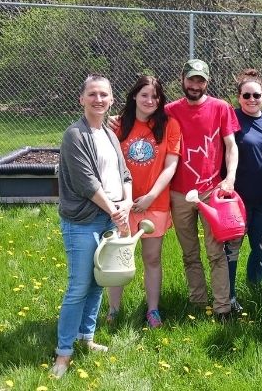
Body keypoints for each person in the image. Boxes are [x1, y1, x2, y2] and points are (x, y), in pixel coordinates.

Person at [52, 73, 132, 378]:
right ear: (82, 99)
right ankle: (63, 353)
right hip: (83, 221)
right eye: (93, 94)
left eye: (104, 95)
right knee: (78, 285)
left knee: (99, 282)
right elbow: (87, 183)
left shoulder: (110, 134)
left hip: (109, 215)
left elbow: (124, 175)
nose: (99, 100)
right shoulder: (75, 135)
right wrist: (116, 212)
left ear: (112, 100)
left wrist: (126, 203)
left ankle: (86, 339)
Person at [166, 59, 241, 319]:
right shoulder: (170, 111)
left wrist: (229, 178)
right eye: (191, 79)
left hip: (211, 191)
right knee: (189, 253)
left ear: (207, 82)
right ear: (182, 79)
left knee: (216, 252)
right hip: (179, 192)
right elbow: (142, 121)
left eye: (200, 80)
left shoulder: (221, 108)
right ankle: (197, 302)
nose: (195, 85)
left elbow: (231, 146)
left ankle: (222, 307)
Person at [107, 75, 180, 328]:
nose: (150, 100)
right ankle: (114, 309)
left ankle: (153, 310)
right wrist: (124, 200)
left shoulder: (169, 125)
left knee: (152, 258)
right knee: (118, 256)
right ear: (134, 96)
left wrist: (150, 196)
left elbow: (171, 166)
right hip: (121, 203)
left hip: (155, 203)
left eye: (155, 96)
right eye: (145, 95)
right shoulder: (118, 125)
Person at [227, 69, 262, 310]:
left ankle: (254, 288)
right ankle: (228, 295)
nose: (252, 100)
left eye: (256, 95)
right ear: (238, 97)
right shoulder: (230, 119)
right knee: (231, 250)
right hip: (235, 200)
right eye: (246, 96)